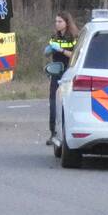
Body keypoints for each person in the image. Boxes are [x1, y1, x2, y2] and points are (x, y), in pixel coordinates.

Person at [45, 12, 78, 146]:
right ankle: (53, 133)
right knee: (53, 103)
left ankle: (67, 132)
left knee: (67, 103)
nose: (57, 24)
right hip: (56, 72)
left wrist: (62, 50)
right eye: (56, 21)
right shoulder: (54, 37)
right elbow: (48, 51)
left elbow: (75, 55)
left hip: (68, 72)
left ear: (66, 23)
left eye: (60, 21)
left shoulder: (74, 37)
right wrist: (48, 50)